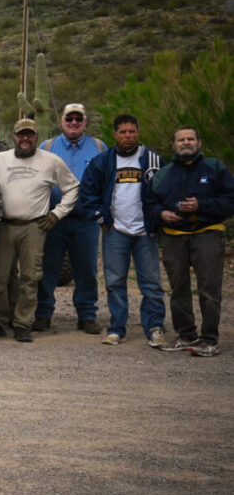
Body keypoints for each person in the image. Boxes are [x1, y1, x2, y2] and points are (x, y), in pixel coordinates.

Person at [0, 119, 81, 341]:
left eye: (30, 134)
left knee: (30, 276)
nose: (25, 139)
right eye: (21, 134)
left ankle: (22, 323)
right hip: (4, 226)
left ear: (36, 137)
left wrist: (57, 213)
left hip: (34, 227)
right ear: (13, 136)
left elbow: (73, 187)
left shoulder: (51, 161)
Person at [76, 114, 164, 346]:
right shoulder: (103, 161)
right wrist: (99, 217)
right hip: (115, 230)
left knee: (151, 283)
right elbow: (87, 192)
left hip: (146, 231)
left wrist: (158, 218)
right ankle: (117, 328)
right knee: (115, 282)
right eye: (123, 132)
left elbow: (165, 190)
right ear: (115, 134)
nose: (128, 136)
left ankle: (154, 326)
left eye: (132, 131)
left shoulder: (152, 159)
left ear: (138, 132)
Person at [146, 125, 234, 356]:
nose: (186, 143)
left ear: (199, 142)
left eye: (190, 139)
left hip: (207, 234)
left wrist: (201, 206)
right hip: (174, 237)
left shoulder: (215, 168)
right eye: (181, 140)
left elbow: (230, 201)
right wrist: (162, 214)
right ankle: (186, 335)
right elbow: (150, 203)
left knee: (208, 289)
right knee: (178, 289)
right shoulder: (164, 174)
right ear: (174, 145)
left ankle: (209, 339)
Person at [34, 103, 105, 334]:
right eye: (69, 118)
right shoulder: (47, 146)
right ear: (62, 121)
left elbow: (107, 180)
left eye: (78, 119)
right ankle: (43, 314)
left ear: (85, 121)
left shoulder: (98, 147)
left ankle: (86, 315)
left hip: (86, 219)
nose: (73, 123)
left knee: (86, 268)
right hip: (53, 219)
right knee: (48, 267)